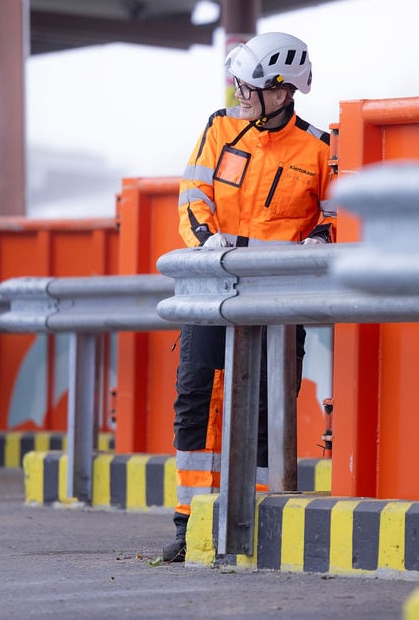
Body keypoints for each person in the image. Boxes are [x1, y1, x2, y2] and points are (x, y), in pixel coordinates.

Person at [159, 31, 337, 562]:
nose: (241, 95)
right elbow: (194, 194)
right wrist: (206, 241)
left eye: (251, 88)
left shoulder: (321, 149)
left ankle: (260, 522)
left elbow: (333, 221)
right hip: (212, 288)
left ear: (283, 93)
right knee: (198, 400)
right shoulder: (221, 127)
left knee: (267, 409)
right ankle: (189, 523)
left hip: (278, 300)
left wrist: (319, 240)